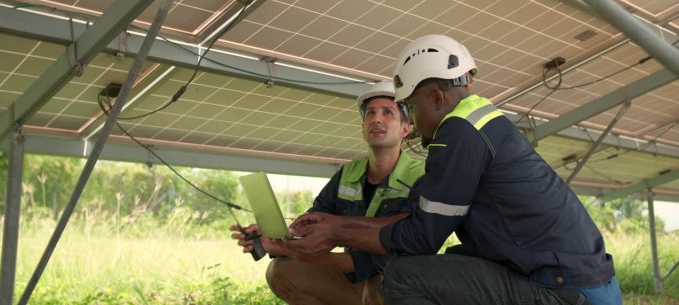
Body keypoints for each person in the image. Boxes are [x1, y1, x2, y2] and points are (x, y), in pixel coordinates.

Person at [285, 35, 623, 305]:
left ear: (435, 98)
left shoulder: (458, 131)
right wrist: (335, 223)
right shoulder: (478, 121)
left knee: (402, 276)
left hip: (566, 291)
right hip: (581, 282)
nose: (414, 122)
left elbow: (421, 238)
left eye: (411, 109)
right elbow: (415, 218)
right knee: (450, 260)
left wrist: (336, 233)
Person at [230, 80, 425, 305]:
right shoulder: (348, 173)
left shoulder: (420, 176)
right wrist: (276, 235)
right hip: (355, 281)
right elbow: (313, 228)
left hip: (400, 286)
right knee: (282, 271)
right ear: (363, 126)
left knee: (380, 285)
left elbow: (385, 259)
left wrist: (290, 249)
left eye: (387, 112)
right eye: (370, 113)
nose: (376, 119)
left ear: (405, 128)